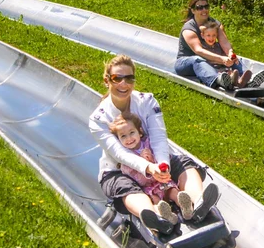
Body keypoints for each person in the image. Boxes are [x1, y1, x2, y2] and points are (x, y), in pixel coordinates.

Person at [90, 54, 219, 235]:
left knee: (182, 163)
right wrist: (150, 168)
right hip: (120, 169)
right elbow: (120, 154)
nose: (123, 84)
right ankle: (156, 217)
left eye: (129, 78)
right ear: (107, 80)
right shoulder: (98, 119)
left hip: (155, 159)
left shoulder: (147, 101)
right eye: (117, 78)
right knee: (127, 188)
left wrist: (162, 164)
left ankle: (197, 202)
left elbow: (158, 136)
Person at [174, 0, 264, 91]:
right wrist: (221, 59)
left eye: (206, 6)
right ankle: (218, 79)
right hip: (186, 63)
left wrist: (230, 55)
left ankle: (244, 79)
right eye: (199, 7)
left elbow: (225, 43)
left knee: (234, 57)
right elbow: (198, 50)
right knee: (197, 59)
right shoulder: (189, 28)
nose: (204, 10)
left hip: (208, 61)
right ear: (193, 10)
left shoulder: (215, 24)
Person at [108, 112, 185, 225]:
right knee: (155, 200)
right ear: (118, 140)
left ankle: (184, 205)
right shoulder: (126, 157)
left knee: (172, 190)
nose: (129, 138)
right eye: (123, 136)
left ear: (140, 132)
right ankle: (166, 215)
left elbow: (162, 155)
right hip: (148, 187)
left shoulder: (149, 144)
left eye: (132, 133)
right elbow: (136, 178)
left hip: (162, 182)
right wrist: (143, 162)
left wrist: (153, 158)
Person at [199, 21, 252, 89]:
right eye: (208, 35)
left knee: (232, 69)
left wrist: (233, 58)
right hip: (212, 70)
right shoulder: (202, 47)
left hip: (223, 68)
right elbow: (202, 61)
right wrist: (220, 60)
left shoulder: (218, 46)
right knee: (223, 75)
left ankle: (239, 81)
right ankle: (233, 80)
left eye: (214, 35)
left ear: (217, 35)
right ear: (202, 35)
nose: (211, 38)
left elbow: (228, 54)